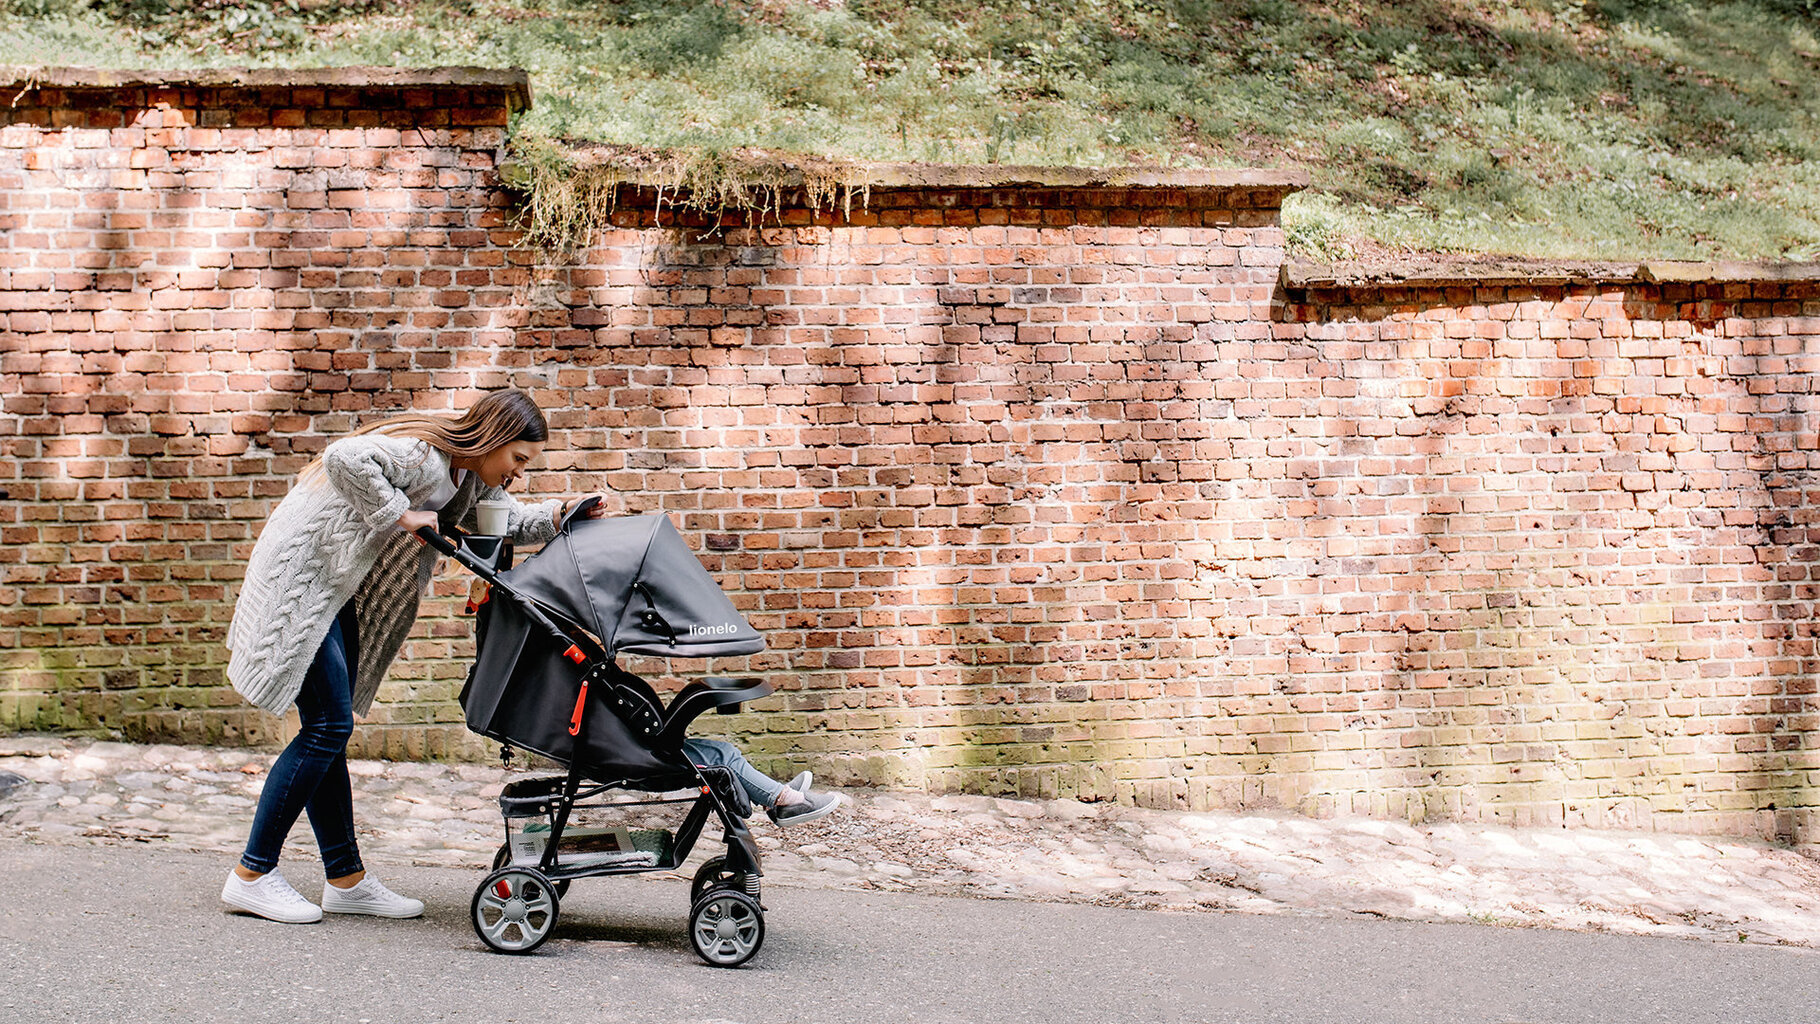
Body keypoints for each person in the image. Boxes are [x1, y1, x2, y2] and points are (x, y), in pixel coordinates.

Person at [221, 388, 606, 924]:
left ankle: (346, 879)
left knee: (329, 728)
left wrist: (566, 512)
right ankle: (252, 875)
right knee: (327, 728)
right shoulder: (424, 455)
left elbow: (505, 520)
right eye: (517, 459)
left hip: (335, 592)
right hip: (301, 587)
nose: (517, 473)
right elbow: (343, 458)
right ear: (493, 438)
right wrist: (400, 513)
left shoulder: (468, 479)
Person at [681, 739, 843, 826]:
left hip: (656, 748)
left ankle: (775, 796)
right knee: (722, 756)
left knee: (724, 750)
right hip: (656, 756)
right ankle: (782, 799)